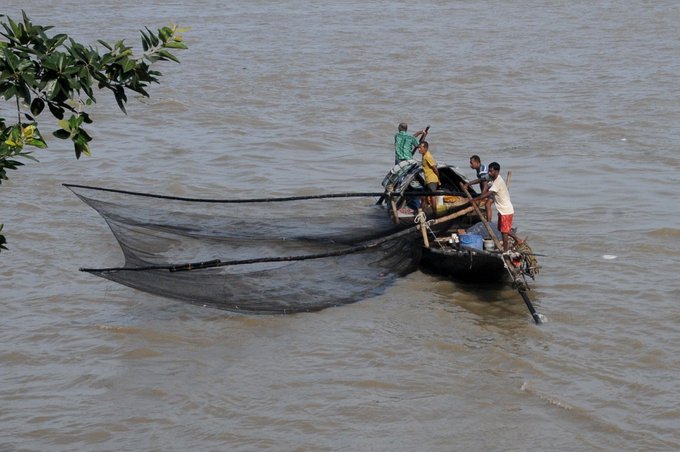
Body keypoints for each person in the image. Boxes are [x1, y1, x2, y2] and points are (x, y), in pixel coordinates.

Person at [465, 161, 522, 252]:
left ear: (497, 171)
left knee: (504, 232)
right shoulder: (491, 177)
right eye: (489, 171)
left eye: (491, 171)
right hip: (502, 211)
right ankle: (518, 240)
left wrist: (474, 199)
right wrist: (468, 184)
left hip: (506, 211)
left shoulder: (498, 182)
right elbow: (481, 180)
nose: (489, 173)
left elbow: (487, 194)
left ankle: (505, 251)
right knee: (502, 229)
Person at [467, 154, 493, 221]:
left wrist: (482, 196)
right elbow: (480, 182)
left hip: (493, 188)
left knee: (487, 205)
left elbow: (485, 184)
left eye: (471, 163)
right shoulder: (478, 169)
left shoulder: (482, 169)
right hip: (489, 187)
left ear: (477, 162)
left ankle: (489, 223)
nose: (470, 165)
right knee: (487, 204)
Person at [417, 141, 439, 211]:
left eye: (420, 148)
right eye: (419, 148)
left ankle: (435, 212)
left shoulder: (428, 156)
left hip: (432, 179)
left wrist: (438, 179)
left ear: (425, 148)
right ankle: (421, 211)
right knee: (424, 197)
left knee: (432, 196)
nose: (419, 149)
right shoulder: (424, 155)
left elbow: (435, 168)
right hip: (427, 180)